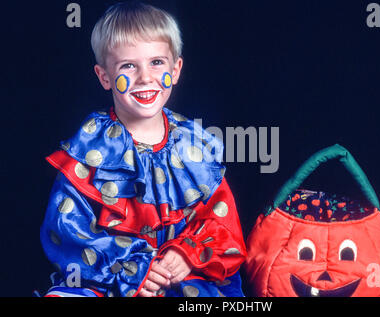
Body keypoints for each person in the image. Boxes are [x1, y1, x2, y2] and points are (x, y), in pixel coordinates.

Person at [40, 1, 247, 297]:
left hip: (181, 280)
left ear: (175, 70)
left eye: (156, 63)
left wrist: (188, 253)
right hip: (109, 282)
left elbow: (220, 220)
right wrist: (132, 267)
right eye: (128, 66)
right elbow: (66, 230)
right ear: (105, 77)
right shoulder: (90, 148)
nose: (145, 77)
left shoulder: (194, 145)